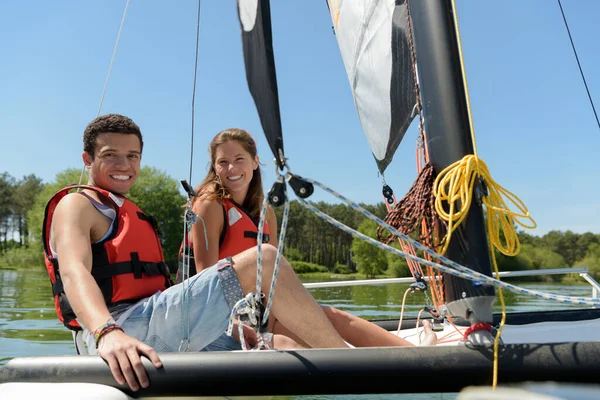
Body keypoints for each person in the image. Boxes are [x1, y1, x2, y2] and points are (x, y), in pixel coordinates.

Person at [42, 114, 352, 393]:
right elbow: (74, 271)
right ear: (87, 158)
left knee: (279, 345)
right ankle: (353, 369)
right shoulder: (77, 205)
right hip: (119, 328)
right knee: (264, 258)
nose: (124, 165)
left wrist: (231, 326)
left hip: (154, 325)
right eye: (111, 156)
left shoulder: (124, 209)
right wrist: (107, 332)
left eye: (132, 156)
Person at [177, 128, 438, 349]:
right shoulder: (209, 204)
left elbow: (276, 278)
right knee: (291, 345)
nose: (231, 168)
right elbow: (206, 281)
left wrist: (298, 314)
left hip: (257, 313)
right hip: (213, 320)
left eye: (239, 159)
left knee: (330, 318)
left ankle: (413, 353)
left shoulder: (266, 211)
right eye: (222, 162)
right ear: (214, 167)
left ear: (255, 162)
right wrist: (239, 328)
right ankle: (351, 364)